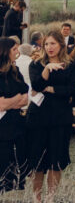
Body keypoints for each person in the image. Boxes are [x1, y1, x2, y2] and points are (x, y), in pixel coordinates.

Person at [26, 31, 75, 203]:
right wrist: (47, 69)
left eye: (53, 44)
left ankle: (50, 199)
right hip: (38, 118)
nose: (49, 47)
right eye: (46, 44)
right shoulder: (36, 65)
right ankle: (37, 199)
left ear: (61, 45)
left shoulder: (70, 65)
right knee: (38, 161)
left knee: (56, 160)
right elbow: (37, 85)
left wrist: (52, 89)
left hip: (60, 118)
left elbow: (72, 90)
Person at [0, 37, 29, 191]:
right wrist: (15, 99)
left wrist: (11, 101)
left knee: (19, 155)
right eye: (14, 49)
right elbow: (1, 105)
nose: (17, 52)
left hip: (17, 121)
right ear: (5, 52)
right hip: (3, 125)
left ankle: (17, 183)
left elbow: (25, 98)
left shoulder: (15, 71)